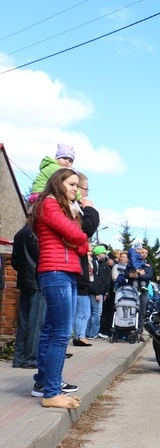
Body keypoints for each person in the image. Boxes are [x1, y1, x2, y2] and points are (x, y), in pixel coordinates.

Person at [30, 168, 88, 408]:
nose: (76, 189)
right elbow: (78, 236)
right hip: (56, 273)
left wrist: (77, 238)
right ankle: (52, 393)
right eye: (71, 184)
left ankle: (44, 382)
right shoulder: (50, 204)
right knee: (61, 333)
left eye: (77, 185)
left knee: (52, 330)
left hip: (66, 272)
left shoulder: (65, 209)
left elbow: (82, 246)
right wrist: (76, 237)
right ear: (58, 182)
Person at [11, 222, 42, 369]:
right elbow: (41, 258)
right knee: (36, 322)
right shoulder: (36, 233)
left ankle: (18, 358)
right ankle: (30, 359)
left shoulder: (19, 233)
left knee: (23, 321)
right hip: (37, 281)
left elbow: (14, 261)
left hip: (24, 281)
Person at [87, 245, 111, 339]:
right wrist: (97, 292)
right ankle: (93, 333)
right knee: (96, 312)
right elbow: (95, 279)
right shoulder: (95, 263)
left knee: (96, 312)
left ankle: (92, 332)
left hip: (100, 293)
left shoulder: (101, 264)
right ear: (99, 253)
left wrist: (104, 292)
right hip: (96, 293)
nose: (105, 255)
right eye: (103, 253)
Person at [72, 246, 94, 347]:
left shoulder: (86, 260)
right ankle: (79, 337)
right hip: (81, 288)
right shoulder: (80, 255)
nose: (90, 253)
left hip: (85, 288)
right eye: (89, 251)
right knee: (81, 314)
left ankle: (81, 335)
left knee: (86, 314)